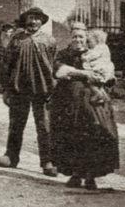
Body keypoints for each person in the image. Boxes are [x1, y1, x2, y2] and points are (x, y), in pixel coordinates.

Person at [51, 26, 120, 190]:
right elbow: (58, 71)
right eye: (75, 37)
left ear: (86, 39)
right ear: (70, 37)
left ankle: (91, 176)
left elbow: (107, 73)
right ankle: (75, 174)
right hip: (69, 102)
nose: (78, 40)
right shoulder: (64, 54)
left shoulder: (95, 53)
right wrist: (84, 74)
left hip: (93, 103)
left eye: (81, 37)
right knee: (71, 135)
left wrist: (105, 77)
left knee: (94, 134)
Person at [0, 7, 58, 177]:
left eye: (37, 18)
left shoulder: (49, 41)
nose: (33, 22)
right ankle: (11, 156)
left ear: (42, 21)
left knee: (44, 127)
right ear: (26, 20)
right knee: (16, 125)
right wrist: (6, 89)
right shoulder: (17, 39)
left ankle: (47, 161)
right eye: (31, 18)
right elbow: (6, 65)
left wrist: (54, 88)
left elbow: (55, 67)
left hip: (43, 90)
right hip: (19, 89)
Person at [82, 29, 115, 105]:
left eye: (89, 42)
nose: (88, 44)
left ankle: (98, 94)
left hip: (100, 70)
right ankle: (104, 97)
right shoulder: (104, 47)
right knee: (99, 85)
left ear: (97, 40)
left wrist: (84, 56)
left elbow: (92, 56)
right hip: (106, 70)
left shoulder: (99, 48)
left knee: (90, 82)